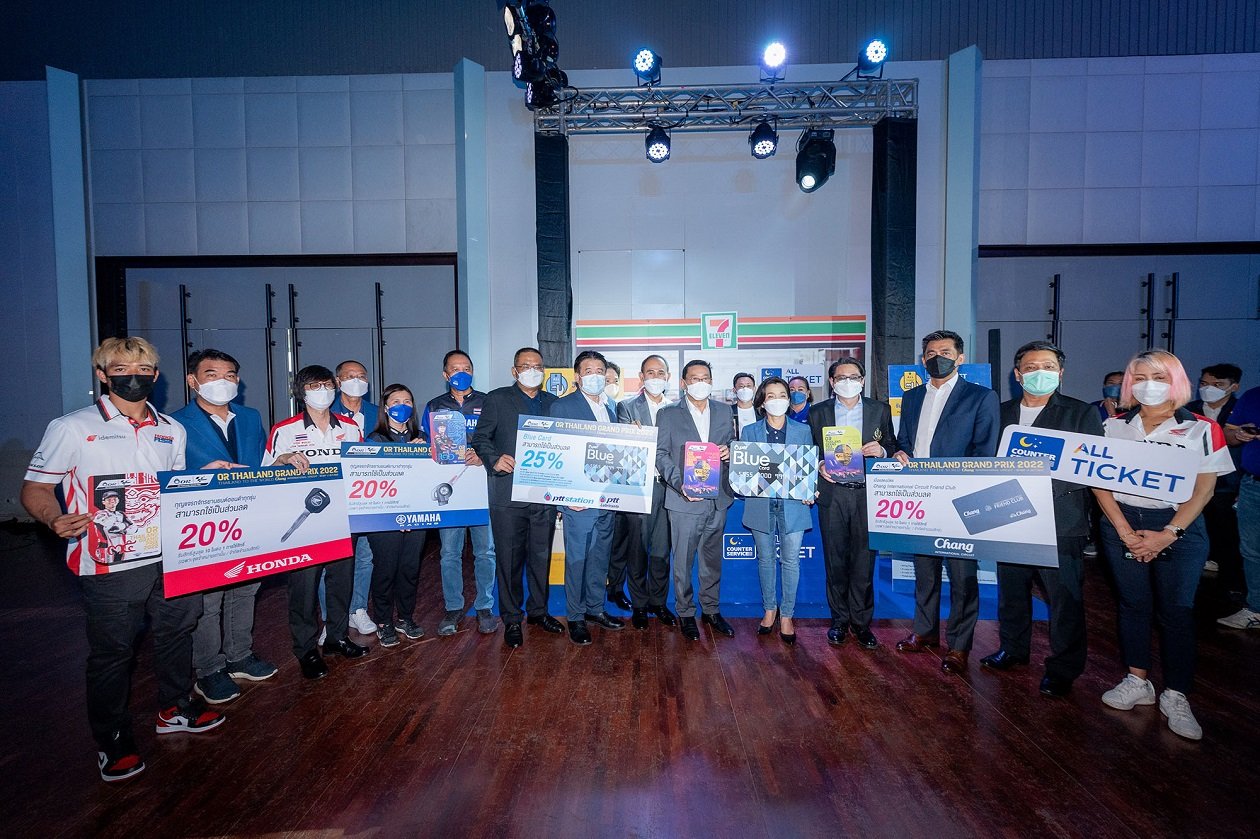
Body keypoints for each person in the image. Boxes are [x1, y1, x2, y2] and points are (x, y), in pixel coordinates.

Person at [21, 337, 224, 782]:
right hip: (108, 561)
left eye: (143, 369)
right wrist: (53, 518)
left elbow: (170, 486)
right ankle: (112, 738)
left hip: (170, 553)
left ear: (156, 375)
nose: (134, 376)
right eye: (121, 369)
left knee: (177, 631)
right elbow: (36, 488)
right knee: (113, 651)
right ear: (102, 374)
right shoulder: (72, 427)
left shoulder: (171, 428)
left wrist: (203, 477)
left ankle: (174, 707)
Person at [1094, 350, 1232, 741]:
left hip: (1179, 528)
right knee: (1133, 604)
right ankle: (1138, 680)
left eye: (1158, 377)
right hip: (1121, 523)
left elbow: (1204, 489)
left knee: (1176, 611)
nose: (1147, 385)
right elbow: (1098, 481)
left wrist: (1169, 533)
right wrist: (1123, 531)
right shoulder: (1112, 426)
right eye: (1139, 377)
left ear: (1176, 381)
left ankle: (1176, 693)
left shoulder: (1201, 428)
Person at [980, 341, 1102, 697]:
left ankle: (1063, 668)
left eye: (1048, 367)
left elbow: (1092, 467)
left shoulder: (1080, 413)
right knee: (1012, 591)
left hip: (1060, 519)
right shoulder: (1000, 412)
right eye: (1031, 367)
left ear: (1060, 373)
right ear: (1018, 375)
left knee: (1064, 598)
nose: (1040, 373)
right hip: (1008, 516)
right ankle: (1013, 649)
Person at [172, 349, 277, 705]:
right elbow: (165, 475)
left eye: (230, 375)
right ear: (193, 380)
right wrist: (197, 476)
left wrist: (280, 462)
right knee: (209, 599)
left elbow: (261, 463)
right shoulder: (174, 424)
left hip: (248, 517)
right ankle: (208, 669)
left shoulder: (250, 417)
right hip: (204, 522)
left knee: (245, 588)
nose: (223, 381)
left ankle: (239, 656)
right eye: (212, 374)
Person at [893, 330, 1001, 674]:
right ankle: (924, 631)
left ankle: (959, 644)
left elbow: (985, 451)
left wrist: (960, 487)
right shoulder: (911, 397)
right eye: (930, 353)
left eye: (944, 351)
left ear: (960, 358)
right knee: (924, 571)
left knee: (962, 576)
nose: (936, 357)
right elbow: (904, 441)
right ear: (922, 360)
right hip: (920, 497)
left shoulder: (981, 397)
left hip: (960, 500)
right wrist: (899, 454)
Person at [264, 364, 369, 680]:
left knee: (341, 582)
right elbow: (265, 474)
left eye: (326, 384)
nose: (322, 391)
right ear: (301, 392)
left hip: (343, 518)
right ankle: (306, 649)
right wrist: (282, 460)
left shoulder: (350, 427)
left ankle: (337, 637)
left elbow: (363, 467)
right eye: (313, 386)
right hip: (304, 523)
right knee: (304, 588)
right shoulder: (284, 430)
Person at [470, 347, 562, 648]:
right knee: (509, 560)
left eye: (537, 366)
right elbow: (481, 438)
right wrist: (494, 459)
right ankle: (511, 618)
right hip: (508, 495)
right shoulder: (497, 399)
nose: (532, 371)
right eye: (526, 366)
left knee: (541, 558)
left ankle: (539, 612)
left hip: (544, 494)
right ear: (514, 371)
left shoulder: (554, 403)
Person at [807, 357, 896, 650]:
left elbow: (894, 445)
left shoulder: (879, 410)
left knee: (864, 561)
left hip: (866, 493)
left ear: (863, 380)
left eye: (854, 377)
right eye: (841, 377)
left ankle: (861, 623)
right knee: (835, 561)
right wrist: (819, 464)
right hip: (832, 493)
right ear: (832, 382)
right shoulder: (818, 412)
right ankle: (839, 621)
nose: (848, 382)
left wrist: (882, 451)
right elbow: (809, 450)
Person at [549, 351, 627, 644]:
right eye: (588, 371)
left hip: (607, 498)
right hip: (578, 500)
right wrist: (563, 498)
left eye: (600, 370)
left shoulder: (612, 408)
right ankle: (576, 616)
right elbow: (555, 452)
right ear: (577, 377)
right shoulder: (563, 406)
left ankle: (595, 608)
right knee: (577, 560)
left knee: (599, 558)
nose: (595, 376)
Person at [655, 359, 736, 641]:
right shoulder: (668, 414)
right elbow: (660, 454)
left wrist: (730, 451)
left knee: (711, 561)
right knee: (683, 561)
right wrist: (680, 485)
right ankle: (686, 612)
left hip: (718, 498)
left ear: (711, 382)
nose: (700, 383)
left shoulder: (724, 411)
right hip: (684, 500)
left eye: (705, 378)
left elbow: (732, 444)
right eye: (694, 378)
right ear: (683, 383)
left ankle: (711, 610)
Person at [420, 350, 498, 637]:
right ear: (445, 375)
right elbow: (425, 444)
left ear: (473, 371)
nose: (461, 372)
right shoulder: (434, 406)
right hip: (448, 490)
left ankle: (484, 606)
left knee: (485, 551)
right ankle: (453, 607)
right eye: (455, 369)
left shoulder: (489, 402)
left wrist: (483, 456)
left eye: (466, 367)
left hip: (481, 487)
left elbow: (501, 439)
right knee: (449, 552)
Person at [740, 377, 815, 644]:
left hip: (793, 505)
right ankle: (770, 609)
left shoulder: (802, 430)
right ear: (762, 402)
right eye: (770, 396)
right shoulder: (749, 431)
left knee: (791, 560)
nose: (777, 400)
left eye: (782, 395)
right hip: (761, 504)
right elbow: (744, 470)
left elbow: (809, 467)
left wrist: (810, 489)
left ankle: (787, 614)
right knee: (766, 559)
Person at [616, 354, 677, 630]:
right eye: (650, 373)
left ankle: (658, 602)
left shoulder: (677, 410)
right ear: (641, 377)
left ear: (668, 377)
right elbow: (621, 449)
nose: (655, 377)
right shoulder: (626, 407)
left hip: (669, 489)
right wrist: (629, 434)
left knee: (662, 551)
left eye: (660, 373)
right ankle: (639, 604)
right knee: (637, 550)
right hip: (638, 489)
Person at [365, 384, 427, 647]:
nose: (403, 406)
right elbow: (371, 479)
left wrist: (426, 452)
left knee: (410, 569)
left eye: (408, 401)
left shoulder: (423, 437)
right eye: (396, 401)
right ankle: (383, 621)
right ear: (386, 407)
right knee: (386, 569)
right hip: (385, 518)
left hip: (417, 516)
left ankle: (405, 617)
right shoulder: (374, 440)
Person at [331, 359, 380, 637]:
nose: (357, 380)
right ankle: (332, 619)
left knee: (365, 556)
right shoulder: (325, 412)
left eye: (362, 376)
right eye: (350, 376)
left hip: (369, 496)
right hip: (335, 498)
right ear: (338, 382)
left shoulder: (377, 412)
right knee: (333, 562)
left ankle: (357, 608)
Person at [1186, 364, 1243, 579]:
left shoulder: (1240, 411)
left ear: (1234, 386)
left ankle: (1230, 579)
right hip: (1193, 480)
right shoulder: (1188, 409)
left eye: (1217, 385)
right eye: (1204, 383)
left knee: (1227, 531)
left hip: (1228, 483)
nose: (1208, 389)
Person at [1220, 385, 1260, 631]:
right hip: (1252, 484)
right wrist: (1240, 434)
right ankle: (1256, 609)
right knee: (1252, 550)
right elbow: (1229, 435)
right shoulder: (1253, 395)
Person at [731, 372, 758, 438]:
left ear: (754, 389)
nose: (745, 389)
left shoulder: (761, 412)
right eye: (741, 386)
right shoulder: (728, 411)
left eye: (748, 386)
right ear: (734, 390)